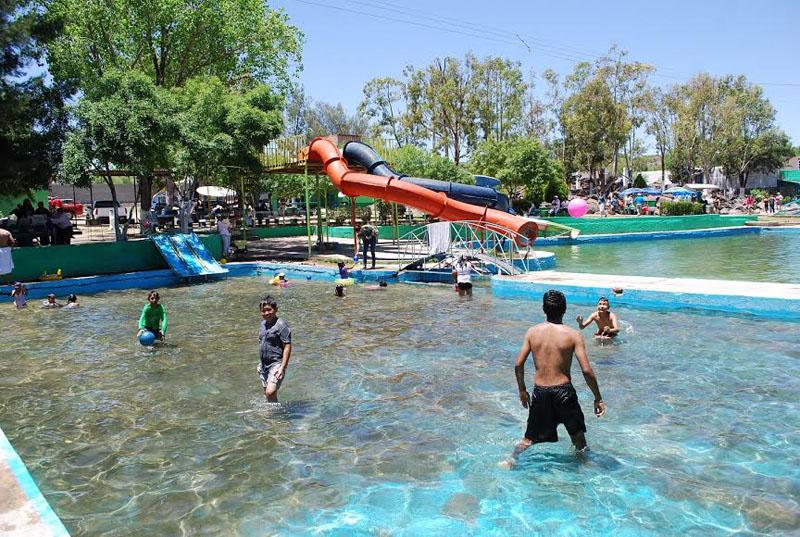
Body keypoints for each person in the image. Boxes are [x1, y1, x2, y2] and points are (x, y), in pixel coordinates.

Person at [501, 290, 606, 468]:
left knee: (528, 439)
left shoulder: (532, 332)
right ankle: (588, 469)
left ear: (544, 309)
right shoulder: (573, 335)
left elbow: (518, 365)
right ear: (564, 309)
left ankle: (510, 460)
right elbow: (586, 370)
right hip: (564, 392)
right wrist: (598, 397)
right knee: (579, 442)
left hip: (541, 392)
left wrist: (522, 390)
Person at [256, 295, 292, 403]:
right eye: (263, 311)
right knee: (268, 395)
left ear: (276, 309)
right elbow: (261, 341)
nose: (266, 313)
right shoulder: (262, 324)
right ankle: (272, 415)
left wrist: (282, 367)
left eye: (269, 310)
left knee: (270, 392)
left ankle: (276, 416)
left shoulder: (281, 325)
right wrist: (260, 363)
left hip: (277, 363)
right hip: (264, 364)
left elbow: (287, 345)